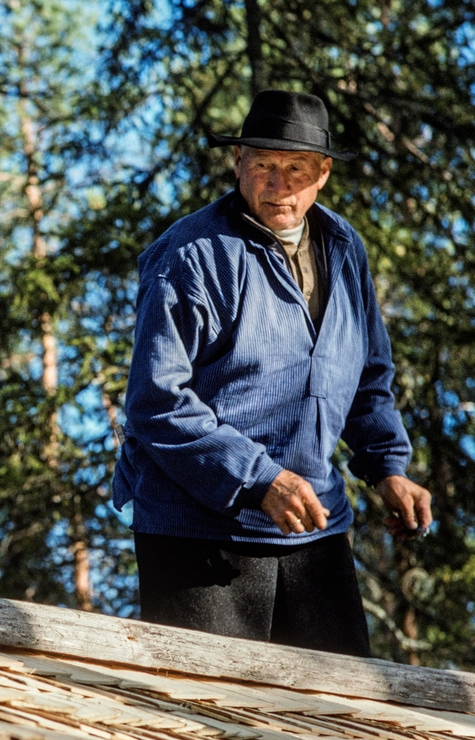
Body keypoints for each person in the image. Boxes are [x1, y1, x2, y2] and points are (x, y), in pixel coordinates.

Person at [113, 90, 432, 656]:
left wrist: (387, 467)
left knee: (337, 715)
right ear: (238, 163)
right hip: (198, 535)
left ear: (324, 174)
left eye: (296, 169)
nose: (278, 184)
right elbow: (156, 403)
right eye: (263, 165)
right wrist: (258, 479)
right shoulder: (190, 255)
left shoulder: (342, 247)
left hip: (314, 530)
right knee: (207, 720)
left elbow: (367, 375)